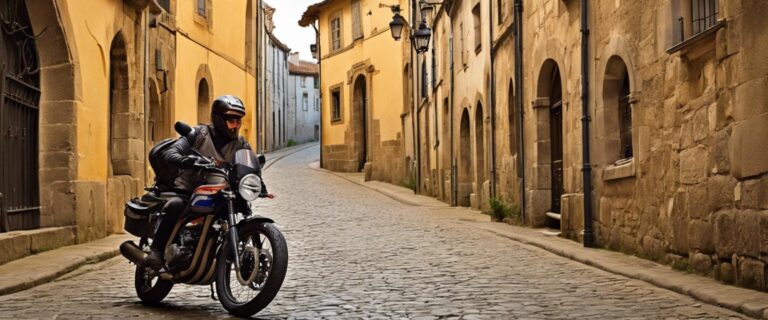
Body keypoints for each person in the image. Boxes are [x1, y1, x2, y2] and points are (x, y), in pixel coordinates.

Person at [145, 95, 255, 269]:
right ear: (218, 118)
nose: (236, 124)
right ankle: (156, 251)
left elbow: (250, 165)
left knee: (239, 206)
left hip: (220, 192)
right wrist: (185, 160)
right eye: (231, 119)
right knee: (176, 205)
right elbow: (172, 152)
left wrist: (256, 180)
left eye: (238, 120)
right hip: (188, 190)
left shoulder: (241, 144)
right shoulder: (198, 135)